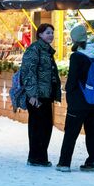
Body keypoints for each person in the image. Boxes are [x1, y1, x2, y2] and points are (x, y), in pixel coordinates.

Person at [56, 25, 94, 172]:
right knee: (93, 133)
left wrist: (68, 94)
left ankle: (64, 163)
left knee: (71, 132)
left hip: (79, 102)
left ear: (74, 39)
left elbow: (72, 80)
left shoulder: (77, 56)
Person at [20, 23, 61, 167]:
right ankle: (35, 157)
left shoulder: (47, 51)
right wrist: (32, 95)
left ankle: (41, 156)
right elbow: (28, 73)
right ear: (40, 35)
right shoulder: (34, 49)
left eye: (52, 33)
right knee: (38, 126)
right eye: (48, 32)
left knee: (46, 126)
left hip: (46, 94)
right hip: (37, 96)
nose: (51, 35)